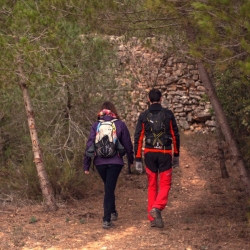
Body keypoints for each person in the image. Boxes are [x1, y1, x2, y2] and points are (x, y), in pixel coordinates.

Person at [83, 101, 134, 229]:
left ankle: (112, 211)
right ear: (114, 111)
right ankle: (106, 220)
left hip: (100, 163)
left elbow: (89, 145)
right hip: (116, 162)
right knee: (109, 189)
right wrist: (131, 160)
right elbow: (127, 144)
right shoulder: (120, 124)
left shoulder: (96, 125)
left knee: (108, 187)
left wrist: (86, 165)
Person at [134, 88, 180, 228]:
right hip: (165, 153)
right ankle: (157, 208)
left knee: (152, 185)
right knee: (165, 184)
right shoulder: (168, 114)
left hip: (149, 154)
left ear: (149, 99)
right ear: (161, 99)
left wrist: (137, 158)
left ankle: (152, 218)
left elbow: (138, 137)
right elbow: (175, 135)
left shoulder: (143, 115)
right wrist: (176, 155)